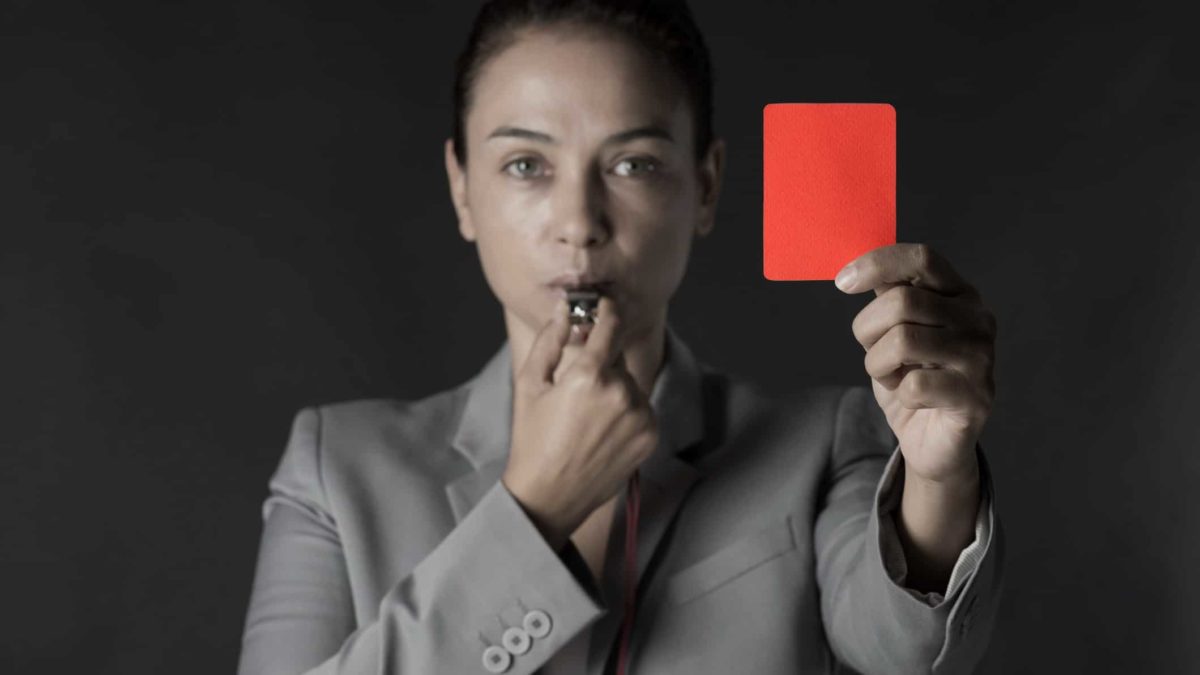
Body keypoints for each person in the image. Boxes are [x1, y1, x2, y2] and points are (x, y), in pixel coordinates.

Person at [236, 1, 1004, 673]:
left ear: (705, 186)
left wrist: (939, 474)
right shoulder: (336, 470)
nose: (580, 223)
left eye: (633, 163)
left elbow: (906, 651)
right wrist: (534, 508)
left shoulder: (820, 445)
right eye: (526, 164)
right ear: (462, 187)